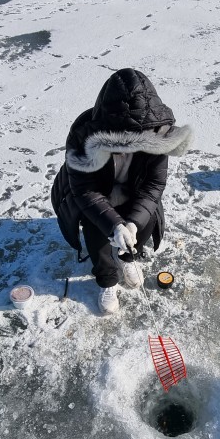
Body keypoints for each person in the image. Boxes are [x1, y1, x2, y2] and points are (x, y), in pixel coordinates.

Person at [50, 68, 193, 314]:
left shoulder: (157, 134)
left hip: (133, 194)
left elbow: (153, 186)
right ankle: (107, 279)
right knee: (97, 231)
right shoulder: (84, 135)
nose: (127, 151)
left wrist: (133, 224)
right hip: (95, 195)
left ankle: (127, 259)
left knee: (144, 222)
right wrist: (115, 225)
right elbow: (85, 191)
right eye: (120, 143)